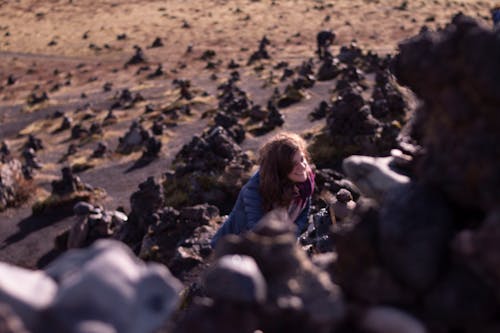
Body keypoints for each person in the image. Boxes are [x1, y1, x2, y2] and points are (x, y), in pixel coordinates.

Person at [211, 132, 315, 247]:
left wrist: (290, 237)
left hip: (271, 245)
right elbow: (257, 230)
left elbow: (302, 217)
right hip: (232, 247)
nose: (302, 166)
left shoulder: (304, 184)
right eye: (293, 164)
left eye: (302, 159)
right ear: (280, 168)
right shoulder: (254, 190)